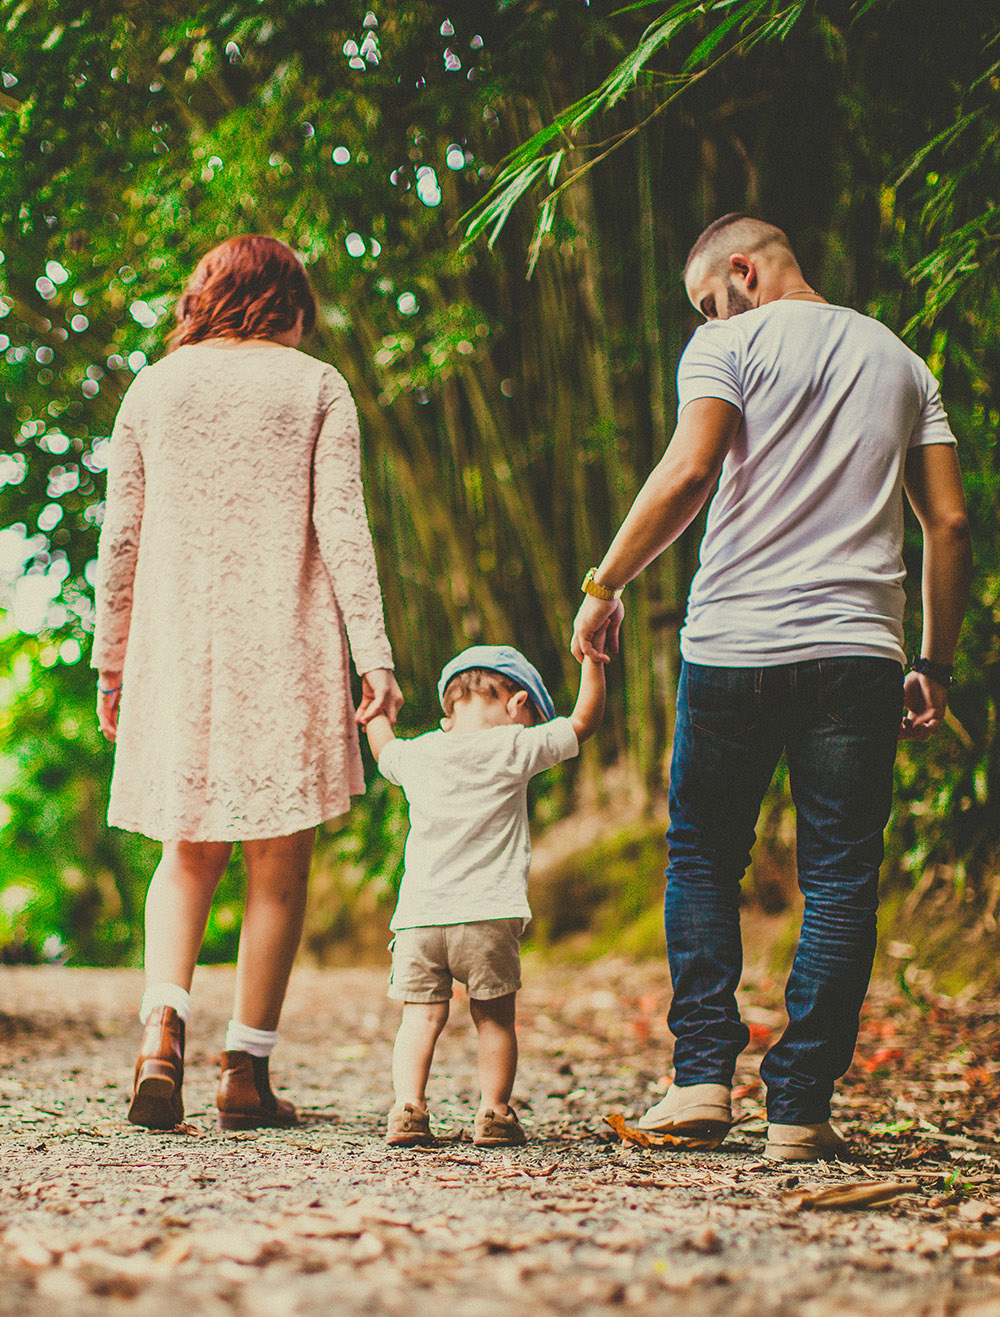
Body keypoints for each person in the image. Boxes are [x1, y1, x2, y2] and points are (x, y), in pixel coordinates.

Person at [571, 214, 971, 1161]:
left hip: (736, 645)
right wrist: (935, 663)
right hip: (859, 654)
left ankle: (701, 1083)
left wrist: (604, 585)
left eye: (711, 295)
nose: (710, 312)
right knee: (840, 876)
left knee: (704, 857)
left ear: (743, 271)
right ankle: (798, 1109)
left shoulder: (729, 342)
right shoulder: (904, 361)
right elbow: (948, 524)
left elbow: (691, 468)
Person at [93, 235, 403, 1131]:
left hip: (178, 647)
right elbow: (344, 526)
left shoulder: (154, 387)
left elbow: (122, 538)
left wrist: (112, 659)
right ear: (290, 303)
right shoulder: (313, 386)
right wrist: (373, 655)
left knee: (184, 850)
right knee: (280, 862)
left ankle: (161, 1035)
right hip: (287, 641)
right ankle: (245, 1072)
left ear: (205, 297)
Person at [363, 644, 606, 1147]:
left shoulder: (420, 753)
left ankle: (408, 1107)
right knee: (494, 1019)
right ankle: (494, 1112)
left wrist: (377, 709)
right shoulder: (513, 747)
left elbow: (383, 746)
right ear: (517, 706)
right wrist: (593, 663)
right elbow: (584, 720)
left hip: (419, 919)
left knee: (420, 1017)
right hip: (488, 915)